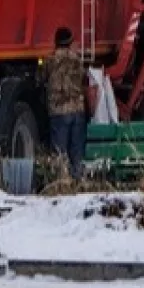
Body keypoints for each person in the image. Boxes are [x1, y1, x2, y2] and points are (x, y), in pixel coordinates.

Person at [44, 27, 88, 178]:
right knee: (77, 151)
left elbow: (41, 79)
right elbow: (84, 79)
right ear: (70, 42)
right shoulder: (78, 60)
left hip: (58, 111)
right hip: (77, 109)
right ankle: (78, 181)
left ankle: (62, 183)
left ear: (56, 42)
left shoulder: (50, 60)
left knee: (60, 151)